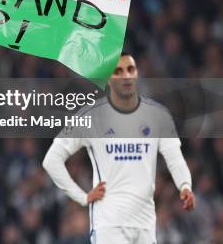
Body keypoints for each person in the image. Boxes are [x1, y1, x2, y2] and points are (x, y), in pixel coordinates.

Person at [42, 52, 195, 244]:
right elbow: (51, 160)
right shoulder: (91, 116)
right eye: (118, 71)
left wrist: (185, 185)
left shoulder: (158, 116)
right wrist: (82, 197)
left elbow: (175, 159)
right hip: (108, 225)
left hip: (145, 224)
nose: (126, 76)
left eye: (131, 69)